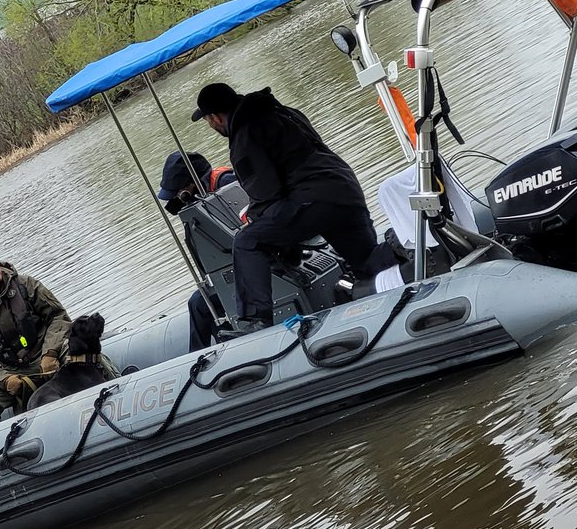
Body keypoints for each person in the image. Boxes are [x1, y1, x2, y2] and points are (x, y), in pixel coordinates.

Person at [190, 81, 406, 331]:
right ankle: (402, 244)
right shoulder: (283, 111)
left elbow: (266, 192)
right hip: (344, 190)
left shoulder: (245, 134)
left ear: (215, 117)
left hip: (313, 199)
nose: (211, 126)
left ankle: (254, 321)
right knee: (365, 261)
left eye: (207, 121)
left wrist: (258, 220)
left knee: (248, 242)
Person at [0, 246, 72, 428]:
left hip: (48, 355)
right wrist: (4, 379)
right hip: (14, 371)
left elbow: (58, 317)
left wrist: (50, 352)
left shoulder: (25, 285)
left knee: (89, 357)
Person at [157, 151, 239, 351]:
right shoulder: (200, 199)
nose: (176, 198)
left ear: (191, 185)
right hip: (234, 271)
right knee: (202, 300)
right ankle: (214, 350)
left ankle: (203, 354)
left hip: (252, 269)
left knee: (199, 303)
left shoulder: (225, 183)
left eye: (177, 192)